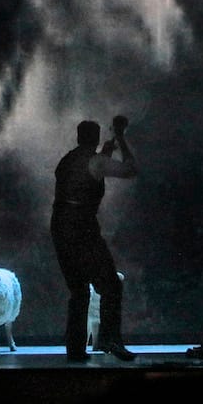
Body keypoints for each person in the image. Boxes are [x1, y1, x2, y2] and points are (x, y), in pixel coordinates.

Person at [51, 115, 139, 362]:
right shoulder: (95, 161)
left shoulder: (68, 160)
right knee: (110, 285)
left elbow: (95, 166)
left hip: (60, 228)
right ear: (96, 137)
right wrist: (121, 137)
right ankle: (110, 339)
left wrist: (108, 147)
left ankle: (75, 350)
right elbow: (129, 169)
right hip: (82, 230)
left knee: (78, 291)